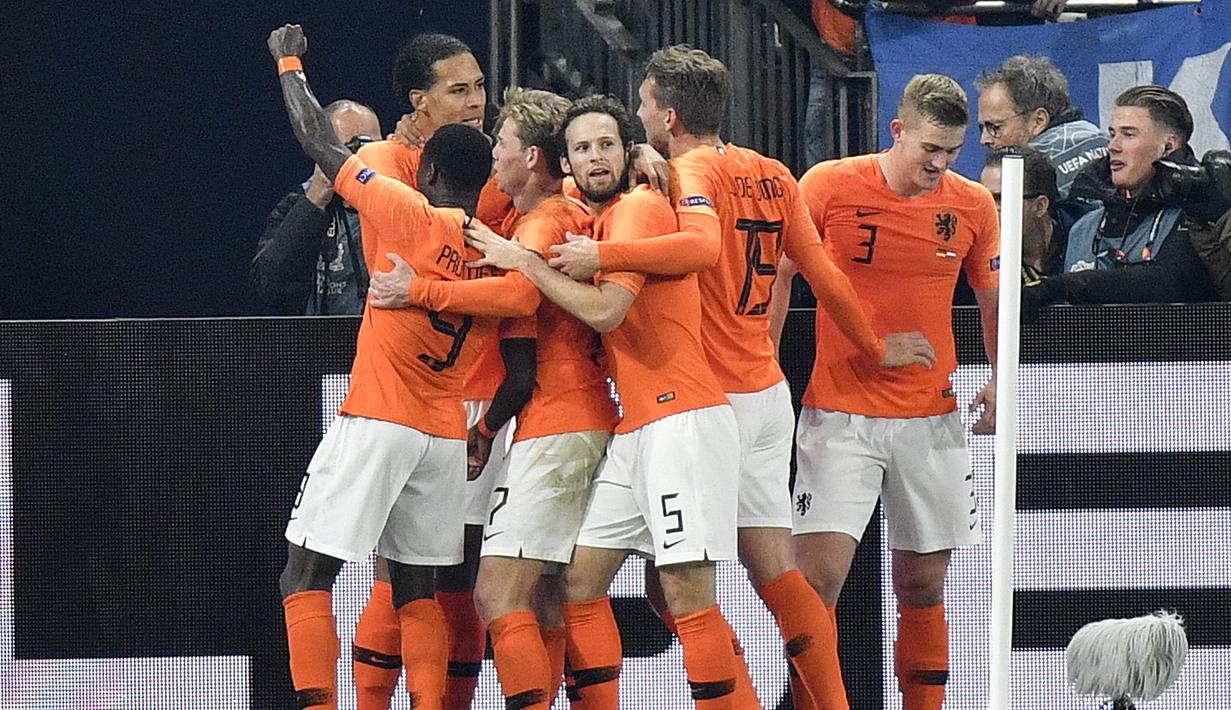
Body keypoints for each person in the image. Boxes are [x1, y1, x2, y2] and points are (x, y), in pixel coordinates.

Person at [548, 45, 936, 710]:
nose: (640, 119)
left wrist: (601, 250)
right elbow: (822, 272)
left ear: (667, 115)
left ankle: (738, 699)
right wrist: (874, 345)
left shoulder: (686, 173)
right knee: (774, 574)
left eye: (643, 108)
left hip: (706, 398)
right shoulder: (773, 173)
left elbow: (690, 244)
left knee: (675, 585)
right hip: (764, 391)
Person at [464, 94, 746, 709]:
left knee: (684, 592)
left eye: (608, 145)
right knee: (578, 583)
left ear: (626, 151)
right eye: (583, 148)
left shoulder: (637, 209)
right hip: (634, 426)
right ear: (565, 163)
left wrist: (521, 263)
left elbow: (607, 309)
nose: (596, 157)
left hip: (682, 419)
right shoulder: (603, 215)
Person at [267, 24, 496, 710]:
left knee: (303, 576)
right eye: (463, 88)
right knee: (417, 588)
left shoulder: (404, 208)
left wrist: (288, 62)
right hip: (445, 433)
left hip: (378, 417)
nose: (477, 98)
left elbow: (320, 144)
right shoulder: (496, 249)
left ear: (425, 171)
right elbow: (518, 293)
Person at [369, 86, 620, 710]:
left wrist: (421, 293)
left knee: (496, 593)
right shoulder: (548, 215)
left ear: (531, 157)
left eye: (501, 146)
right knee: (550, 592)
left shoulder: (538, 225)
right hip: (573, 415)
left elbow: (519, 307)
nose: (492, 159)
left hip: (551, 418)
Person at [780, 73, 1000, 710]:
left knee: (925, 585)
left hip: (929, 419)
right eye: (928, 148)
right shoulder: (828, 184)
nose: (938, 164)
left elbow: (991, 299)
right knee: (815, 585)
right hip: (838, 415)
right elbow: (780, 280)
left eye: (952, 151)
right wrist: (764, 367)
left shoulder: (971, 205)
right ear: (896, 131)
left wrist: (1001, 376)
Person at [348, 32, 520, 710]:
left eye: (479, 86)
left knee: (466, 577)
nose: (476, 100)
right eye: (458, 90)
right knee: (397, 573)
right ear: (418, 101)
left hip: (487, 396)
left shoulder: (501, 165)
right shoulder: (387, 162)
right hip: (419, 396)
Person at [1023, 85, 1222, 314]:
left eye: (1128, 134)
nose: (1113, 146)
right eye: (1112, 134)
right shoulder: (1083, 228)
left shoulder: (1197, 218)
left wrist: (1064, 286)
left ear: (1169, 146)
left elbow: (1166, 284)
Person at [251, 100, 381, 315]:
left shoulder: (401, 198)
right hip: (322, 343)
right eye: (348, 148)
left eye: (372, 147)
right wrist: (317, 198)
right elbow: (270, 288)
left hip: (390, 342)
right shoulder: (299, 203)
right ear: (322, 152)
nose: (361, 158)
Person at [976, 54, 1108, 198]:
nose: (984, 140)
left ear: (1038, 121)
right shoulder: (1105, 141)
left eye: (995, 127)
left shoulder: (1027, 173)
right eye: (982, 128)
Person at [981, 144, 1065, 283]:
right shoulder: (975, 259)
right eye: (984, 198)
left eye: (1000, 199)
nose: (989, 210)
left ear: (1040, 206)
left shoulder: (1082, 243)